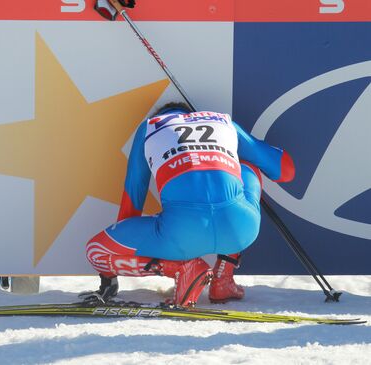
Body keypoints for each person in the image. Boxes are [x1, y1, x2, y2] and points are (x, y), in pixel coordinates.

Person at [82, 102, 295, 307]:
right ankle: (224, 278)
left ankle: (183, 268)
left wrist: (133, 246)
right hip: (241, 230)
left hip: (181, 234)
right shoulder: (223, 122)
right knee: (249, 166)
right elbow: (286, 172)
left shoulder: (150, 126)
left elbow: (133, 196)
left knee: (96, 251)